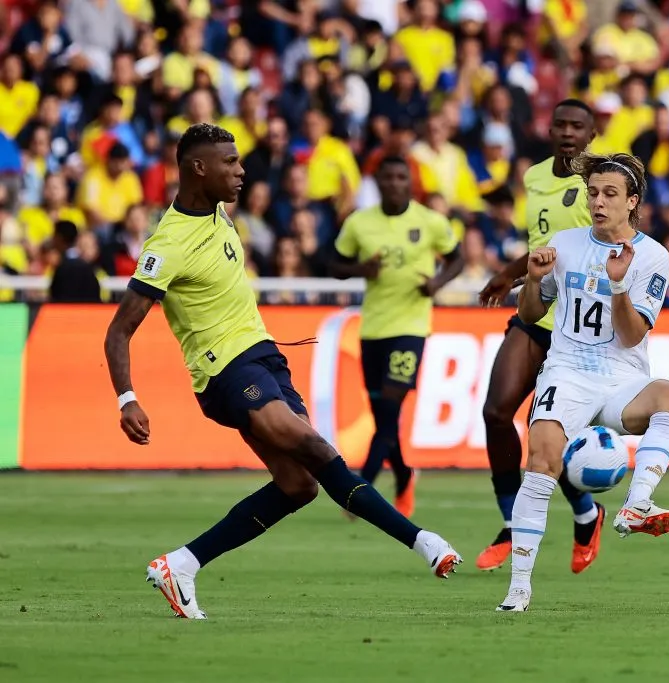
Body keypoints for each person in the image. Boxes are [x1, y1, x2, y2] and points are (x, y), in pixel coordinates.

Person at [103, 124, 462, 621]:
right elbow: (118, 331)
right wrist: (127, 399)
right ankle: (423, 541)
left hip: (265, 356)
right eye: (229, 162)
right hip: (226, 371)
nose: (241, 170)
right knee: (317, 448)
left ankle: (181, 565)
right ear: (198, 168)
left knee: (299, 485)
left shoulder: (219, 212)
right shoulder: (167, 245)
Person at [496, 153, 669, 612]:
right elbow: (530, 315)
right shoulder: (564, 244)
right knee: (540, 462)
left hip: (622, 379)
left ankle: (637, 503)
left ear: (632, 201)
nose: (598, 202)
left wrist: (618, 285)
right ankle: (518, 588)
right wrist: (533, 280)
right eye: (593, 193)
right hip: (567, 373)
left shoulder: (653, 256)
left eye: (609, 194)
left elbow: (632, 335)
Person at [475, 99, 604, 575]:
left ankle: (586, 513)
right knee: (495, 412)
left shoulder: (600, 184)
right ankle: (512, 521)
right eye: (561, 125)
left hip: (579, 328)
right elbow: (540, 246)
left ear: (591, 134)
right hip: (534, 313)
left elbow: (615, 243)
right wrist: (506, 275)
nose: (568, 132)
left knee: (547, 434)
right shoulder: (533, 177)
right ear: (549, 130)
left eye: (577, 126)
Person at [332, 156, 465, 518]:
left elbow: (456, 259)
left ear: (410, 182)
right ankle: (404, 474)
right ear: (377, 182)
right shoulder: (359, 223)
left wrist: (437, 283)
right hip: (373, 329)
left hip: (411, 329)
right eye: (387, 177)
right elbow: (333, 264)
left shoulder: (430, 221)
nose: (394, 183)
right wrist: (360, 269)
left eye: (400, 177)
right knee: (384, 419)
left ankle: (360, 489)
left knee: (390, 408)